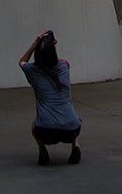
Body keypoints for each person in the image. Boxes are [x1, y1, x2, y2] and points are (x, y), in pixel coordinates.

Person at [20, 30, 82, 165]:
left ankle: (42, 148)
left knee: (33, 124)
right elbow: (58, 62)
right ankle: (75, 146)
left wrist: (35, 43)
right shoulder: (64, 67)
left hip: (45, 132)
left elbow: (22, 61)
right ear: (54, 45)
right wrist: (52, 43)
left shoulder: (32, 71)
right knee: (74, 119)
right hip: (71, 131)